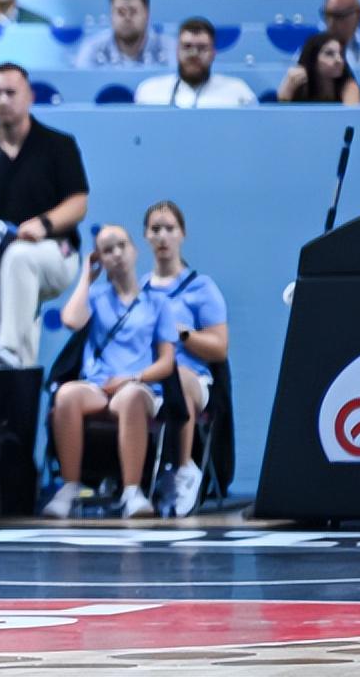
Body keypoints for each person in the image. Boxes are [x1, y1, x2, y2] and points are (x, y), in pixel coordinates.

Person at [0, 63, 87, 371]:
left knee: (19, 255)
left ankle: (9, 347)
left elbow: (78, 203)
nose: (3, 100)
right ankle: (15, 368)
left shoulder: (58, 146)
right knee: (10, 365)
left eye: (11, 92)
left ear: (30, 96)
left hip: (56, 254)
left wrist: (44, 224)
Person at [41, 224, 179, 520]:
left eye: (121, 246)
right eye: (107, 250)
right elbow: (71, 321)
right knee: (66, 395)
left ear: (134, 250)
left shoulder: (158, 302)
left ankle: (132, 492)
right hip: (97, 388)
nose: (116, 254)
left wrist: (133, 378)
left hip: (138, 386)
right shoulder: (96, 296)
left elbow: (167, 362)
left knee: (130, 397)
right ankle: (70, 487)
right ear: (100, 259)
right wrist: (86, 277)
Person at [141, 200, 231, 518]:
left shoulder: (202, 288)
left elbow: (219, 348)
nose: (162, 236)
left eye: (169, 228)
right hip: (147, 380)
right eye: (155, 229)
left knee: (175, 378)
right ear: (146, 236)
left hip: (192, 379)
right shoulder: (138, 291)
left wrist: (184, 334)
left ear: (182, 234)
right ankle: (129, 486)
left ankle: (184, 469)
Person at [135, 18, 256, 108]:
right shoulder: (149, 91)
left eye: (202, 48)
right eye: (187, 47)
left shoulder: (238, 92)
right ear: (177, 51)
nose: (193, 54)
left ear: (213, 53)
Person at [75, 0, 174, 69]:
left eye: (133, 11)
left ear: (147, 15)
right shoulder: (92, 49)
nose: (127, 18)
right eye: (121, 12)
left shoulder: (169, 48)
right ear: (111, 16)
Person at [278, 32, 360, 105]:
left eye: (341, 54)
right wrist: (288, 86)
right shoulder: (298, 83)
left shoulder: (349, 86)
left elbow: (350, 116)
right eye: (329, 54)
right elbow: (282, 115)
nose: (339, 60)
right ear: (312, 59)